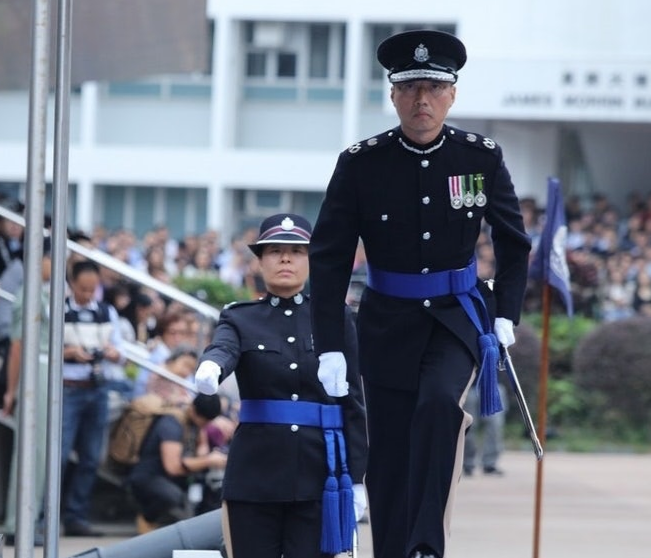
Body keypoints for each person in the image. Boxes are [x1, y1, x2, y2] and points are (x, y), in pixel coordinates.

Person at [308, 30, 531, 558]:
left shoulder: (480, 157)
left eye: (434, 87)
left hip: (456, 318)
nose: (422, 99)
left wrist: (505, 314)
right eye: (410, 88)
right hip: (386, 320)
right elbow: (330, 257)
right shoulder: (361, 163)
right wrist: (330, 344)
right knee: (386, 450)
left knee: (437, 406)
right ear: (393, 95)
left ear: (452, 95)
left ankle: (425, 545)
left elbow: (514, 241)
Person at [194, 213, 368, 558]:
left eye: (297, 251)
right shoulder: (239, 317)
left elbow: (354, 400)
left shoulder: (337, 318)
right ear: (259, 261)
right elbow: (224, 347)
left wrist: (359, 477)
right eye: (274, 250)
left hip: (320, 475)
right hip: (255, 475)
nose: (285, 258)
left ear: (311, 259)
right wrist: (213, 365)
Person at [61, 259, 125, 537]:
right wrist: (70, 353)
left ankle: (77, 517)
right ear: (72, 283)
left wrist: (111, 352)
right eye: (83, 288)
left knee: (90, 458)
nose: (87, 294)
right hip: (68, 387)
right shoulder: (58, 309)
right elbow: (42, 348)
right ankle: (44, 516)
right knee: (59, 456)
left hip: (98, 388)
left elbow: (122, 352)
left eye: (92, 289)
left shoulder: (106, 312)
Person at [0, 236, 52, 546]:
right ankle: (17, 521)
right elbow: (17, 346)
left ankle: (27, 519)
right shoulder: (28, 293)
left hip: (44, 373)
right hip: (34, 374)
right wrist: (11, 390)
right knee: (30, 451)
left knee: (41, 452)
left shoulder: (43, 293)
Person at [125, 392, 227, 528]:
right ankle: (146, 519)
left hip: (170, 477)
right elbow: (173, 467)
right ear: (194, 411)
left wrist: (203, 451)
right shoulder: (172, 423)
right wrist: (208, 460)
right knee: (171, 496)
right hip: (148, 476)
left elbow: (201, 442)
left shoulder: (194, 422)